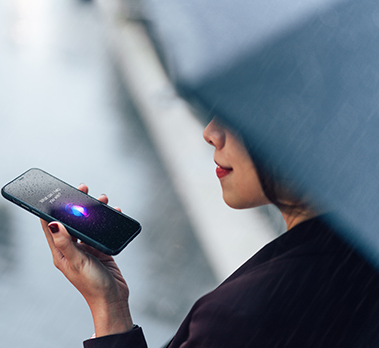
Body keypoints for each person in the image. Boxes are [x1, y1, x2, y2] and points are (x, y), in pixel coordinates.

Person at [40, 118, 379, 347]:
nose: (212, 131)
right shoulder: (358, 249)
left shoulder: (238, 319)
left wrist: (106, 313)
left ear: (305, 125)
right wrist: (109, 304)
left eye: (239, 112)